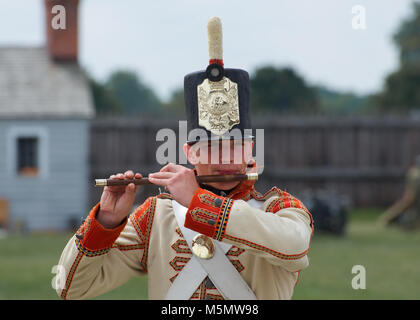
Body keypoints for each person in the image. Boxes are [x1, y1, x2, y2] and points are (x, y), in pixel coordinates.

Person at [56, 17, 313, 300]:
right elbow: (70, 288)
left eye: (234, 146)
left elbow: (294, 247)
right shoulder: (156, 217)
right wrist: (106, 222)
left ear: (250, 149)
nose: (224, 158)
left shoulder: (281, 209)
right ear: (190, 152)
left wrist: (197, 202)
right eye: (211, 147)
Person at [378, 155, 420, 230]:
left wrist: (387, 218)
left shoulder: (414, 175)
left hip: (414, 216)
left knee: (404, 219)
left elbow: (409, 199)